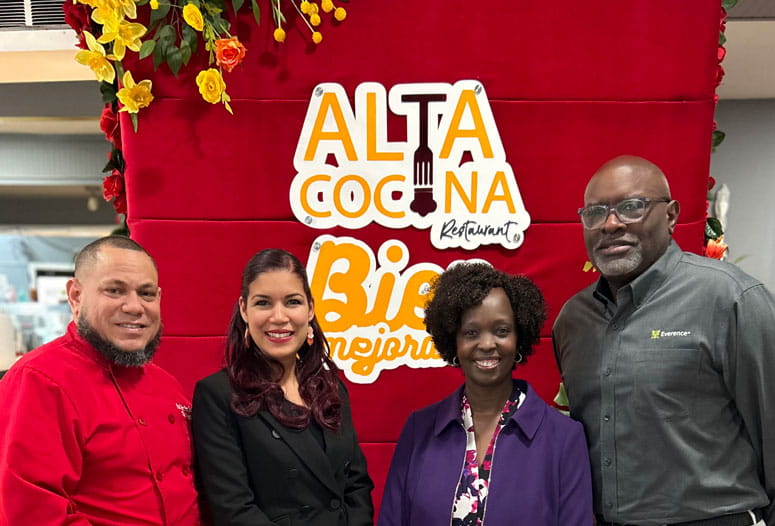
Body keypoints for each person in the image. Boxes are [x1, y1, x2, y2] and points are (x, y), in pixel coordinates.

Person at [553, 155, 775, 526]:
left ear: (671, 215)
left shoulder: (730, 298)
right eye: (595, 213)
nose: (610, 224)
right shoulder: (574, 321)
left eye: (632, 207)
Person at [0, 235, 200, 525]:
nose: (134, 307)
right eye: (115, 290)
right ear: (76, 296)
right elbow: (32, 513)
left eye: (146, 294)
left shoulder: (168, 385)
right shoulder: (38, 381)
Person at [379, 262, 593, 526]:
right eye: (471, 333)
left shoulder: (564, 438)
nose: (487, 344)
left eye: (502, 331)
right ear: (453, 341)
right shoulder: (419, 430)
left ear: (519, 337)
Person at [192, 248, 374, 526]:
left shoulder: (331, 388)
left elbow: (357, 486)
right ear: (244, 309)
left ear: (310, 309)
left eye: (292, 302)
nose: (279, 317)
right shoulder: (217, 395)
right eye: (263, 303)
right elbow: (234, 510)